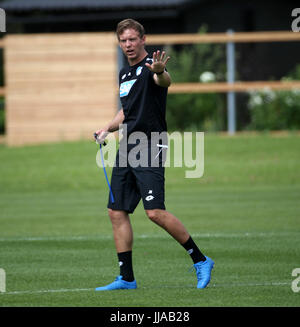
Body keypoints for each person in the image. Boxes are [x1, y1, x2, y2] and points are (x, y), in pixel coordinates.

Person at [94, 18, 214, 291]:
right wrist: (106, 128)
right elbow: (127, 110)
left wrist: (160, 71)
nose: (128, 45)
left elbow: (164, 80)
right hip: (127, 147)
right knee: (116, 211)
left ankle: (201, 260)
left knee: (155, 212)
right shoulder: (125, 73)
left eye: (133, 39)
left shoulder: (152, 68)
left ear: (143, 40)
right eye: (123, 40)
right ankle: (126, 278)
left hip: (149, 145)